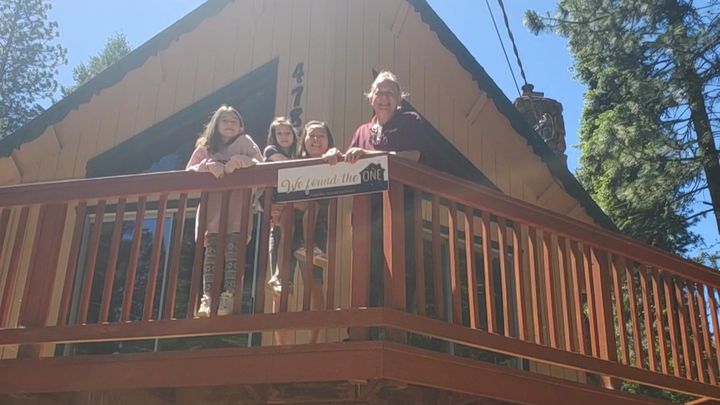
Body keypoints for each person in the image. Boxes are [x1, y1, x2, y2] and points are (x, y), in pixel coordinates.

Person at [186, 105, 262, 317]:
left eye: (234, 121)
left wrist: (241, 162)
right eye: (225, 121)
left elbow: (260, 165)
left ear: (241, 126)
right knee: (212, 255)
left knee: (233, 253)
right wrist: (207, 166)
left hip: (238, 211)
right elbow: (189, 171)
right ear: (216, 124)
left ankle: (228, 295)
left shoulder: (245, 142)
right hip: (212, 213)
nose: (230, 125)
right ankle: (208, 298)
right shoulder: (206, 146)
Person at [270, 120, 341, 344]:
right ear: (303, 140)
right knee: (281, 288)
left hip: (315, 232)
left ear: (329, 141)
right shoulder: (292, 162)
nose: (316, 140)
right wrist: (270, 206)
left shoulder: (333, 161)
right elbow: (272, 188)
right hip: (284, 230)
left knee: (314, 283)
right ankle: (282, 349)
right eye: (312, 135)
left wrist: (334, 154)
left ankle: (314, 344)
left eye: (321, 135)